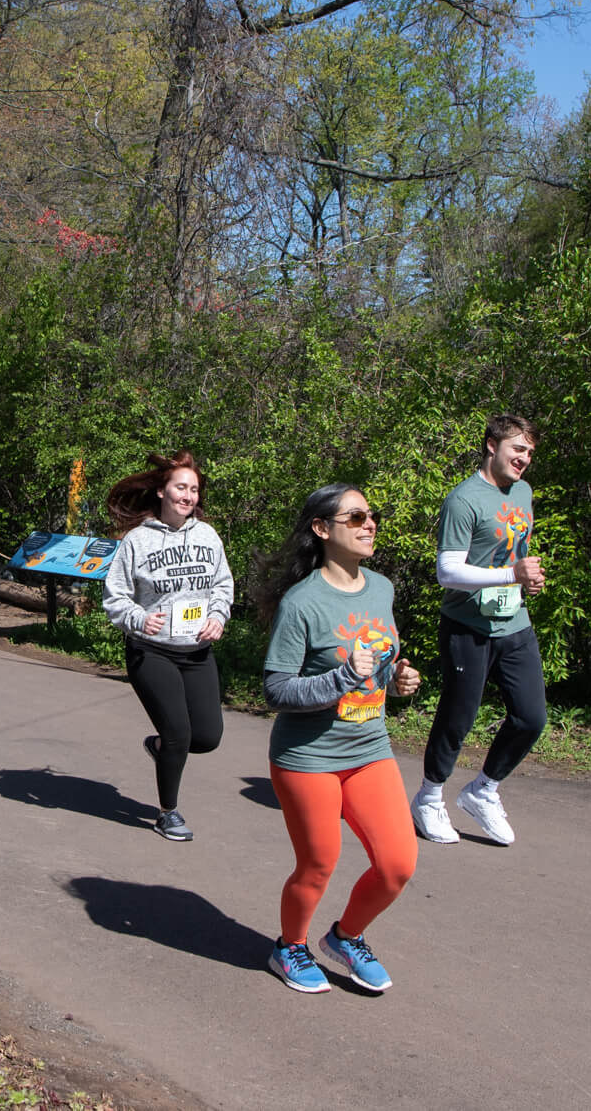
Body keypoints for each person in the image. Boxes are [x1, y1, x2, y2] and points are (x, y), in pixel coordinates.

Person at [258, 484, 422, 994]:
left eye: (371, 515)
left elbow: (380, 663)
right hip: (308, 757)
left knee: (397, 865)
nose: (370, 524)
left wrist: (397, 681)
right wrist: (340, 680)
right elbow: (276, 689)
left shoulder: (382, 588)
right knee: (318, 863)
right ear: (323, 529)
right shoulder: (302, 603)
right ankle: (290, 947)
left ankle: (346, 936)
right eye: (356, 517)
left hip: (370, 749)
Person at [412, 414, 547, 847]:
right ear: (492, 446)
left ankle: (483, 790)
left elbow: (513, 554)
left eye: (529, 452)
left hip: (514, 621)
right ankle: (430, 797)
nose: (524, 458)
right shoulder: (464, 499)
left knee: (531, 717)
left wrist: (527, 577)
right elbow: (447, 572)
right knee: (458, 717)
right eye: (517, 449)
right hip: (467, 625)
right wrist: (512, 574)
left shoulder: (523, 492)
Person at [99, 451, 234, 842]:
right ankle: (167, 812)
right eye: (181, 487)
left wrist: (218, 616)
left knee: (206, 737)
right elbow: (116, 597)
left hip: (196, 651)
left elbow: (223, 585)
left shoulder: (208, 536)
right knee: (178, 733)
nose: (188, 495)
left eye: (194, 489)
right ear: (162, 491)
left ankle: (160, 748)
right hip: (151, 650)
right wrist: (140, 619)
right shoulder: (137, 541)